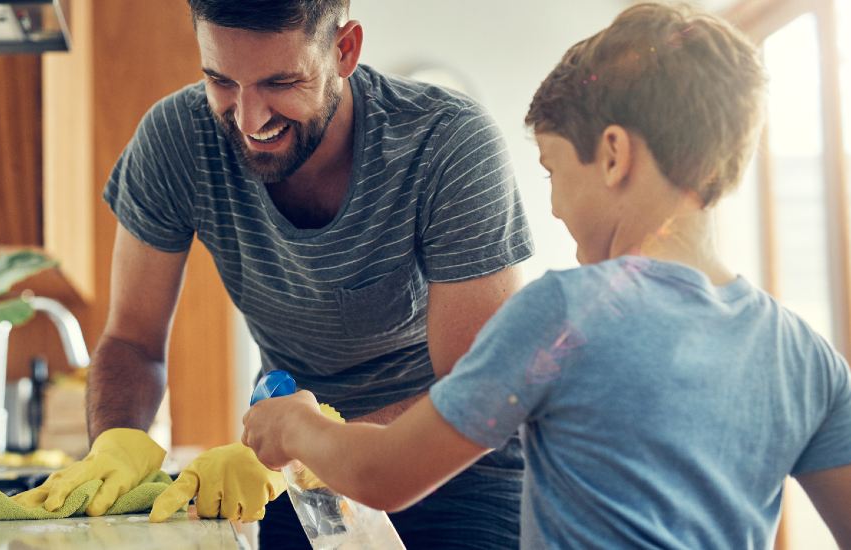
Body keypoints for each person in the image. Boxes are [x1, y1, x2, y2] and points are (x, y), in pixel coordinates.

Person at [241, 3, 851, 548]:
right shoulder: (806, 357)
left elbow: (388, 475)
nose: (554, 206)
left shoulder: (564, 316)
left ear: (613, 154)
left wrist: (299, 424)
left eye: (553, 169)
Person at [11, 0, 533, 546]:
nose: (248, 118)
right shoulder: (176, 140)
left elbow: (475, 391)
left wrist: (312, 442)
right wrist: (114, 443)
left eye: (280, 82)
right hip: (296, 487)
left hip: (455, 480)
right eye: (221, 80)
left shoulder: (448, 144)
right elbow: (132, 341)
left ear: (344, 50)